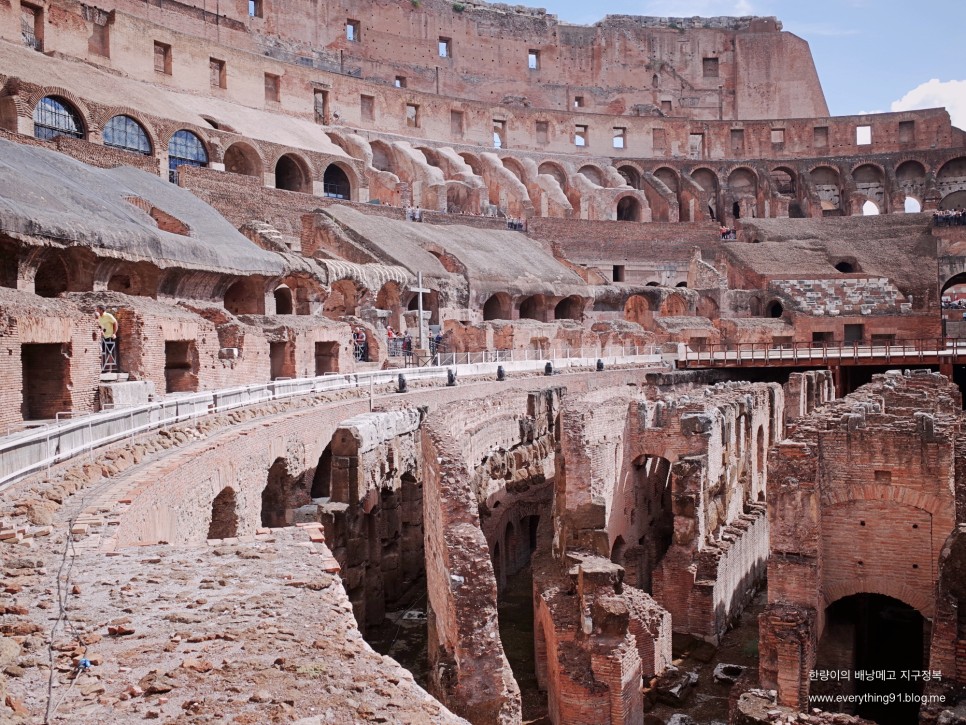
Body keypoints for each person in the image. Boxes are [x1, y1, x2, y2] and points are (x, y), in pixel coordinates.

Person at [95, 305, 119, 371]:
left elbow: (115, 323)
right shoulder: (98, 317)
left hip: (109, 336)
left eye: (98, 309)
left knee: (110, 352)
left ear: (102, 310)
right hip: (102, 337)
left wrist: (114, 333)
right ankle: (103, 368)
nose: (97, 311)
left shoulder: (108, 315)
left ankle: (110, 369)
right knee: (102, 352)